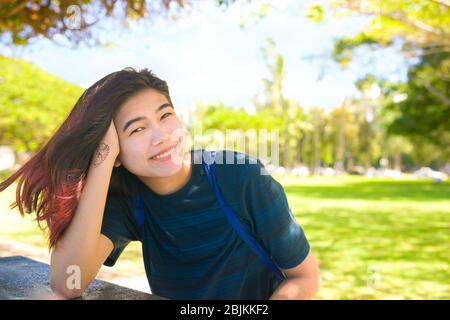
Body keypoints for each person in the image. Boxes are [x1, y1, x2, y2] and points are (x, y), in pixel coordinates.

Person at [0, 68, 320, 300]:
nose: (162, 136)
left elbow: (305, 277)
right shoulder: (128, 201)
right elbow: (67, 283)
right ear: (115, 151)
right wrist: (103, 160)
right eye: (136, 130)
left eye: (165, 115)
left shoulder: (239, 176)